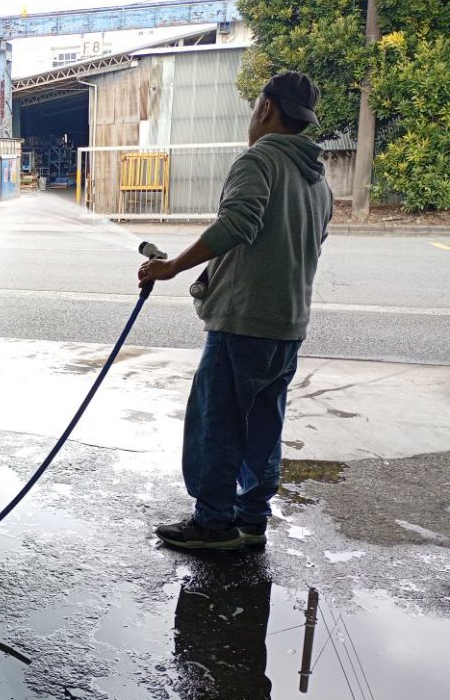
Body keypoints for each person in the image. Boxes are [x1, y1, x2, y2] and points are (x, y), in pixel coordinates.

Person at [138, 70, 333, 550]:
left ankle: (213, 523)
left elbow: (238, 224)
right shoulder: (317, 180)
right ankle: (251, 518)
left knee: (217, 423)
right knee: (264, 425)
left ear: (266, 108)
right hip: (288, 325)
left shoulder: (260, 159)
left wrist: (172, 267)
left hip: (242, 321)